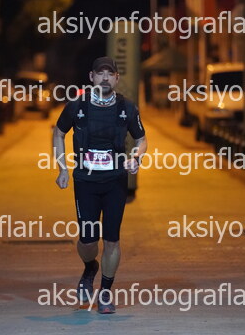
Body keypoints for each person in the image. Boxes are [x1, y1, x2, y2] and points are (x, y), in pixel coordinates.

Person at [52, 56, 148, 314]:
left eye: (110, 73)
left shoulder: (127, 108)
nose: (105, 77)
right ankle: (89, 267)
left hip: (115, 181)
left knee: (112, 240)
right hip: (85, 181)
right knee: (87, 241)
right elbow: (59, 133)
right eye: (100, 73)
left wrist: (136, 157)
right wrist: (62, 168)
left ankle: (105, 292)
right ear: (91, 77)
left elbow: (141, 139)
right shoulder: (77, 106)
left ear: (116, 78)